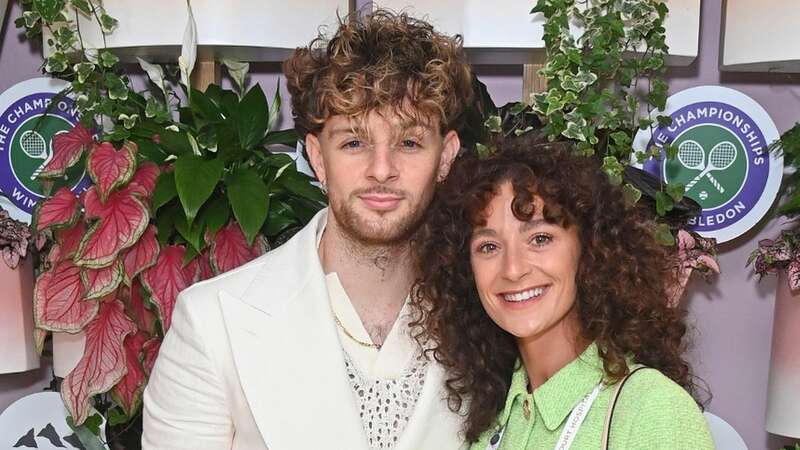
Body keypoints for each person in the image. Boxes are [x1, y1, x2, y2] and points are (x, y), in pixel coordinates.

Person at [142, 10, 474, 450]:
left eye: (408, 142)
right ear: (317, 158)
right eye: (354, 142)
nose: (382, 170)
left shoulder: (488, 314)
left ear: (446, 157)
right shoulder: (212, 322)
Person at [412, 133, 715, 450]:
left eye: (540, 239)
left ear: (588, 249)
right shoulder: (494, 421)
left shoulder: (653, 411)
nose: (513, 269)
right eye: (488, 246)